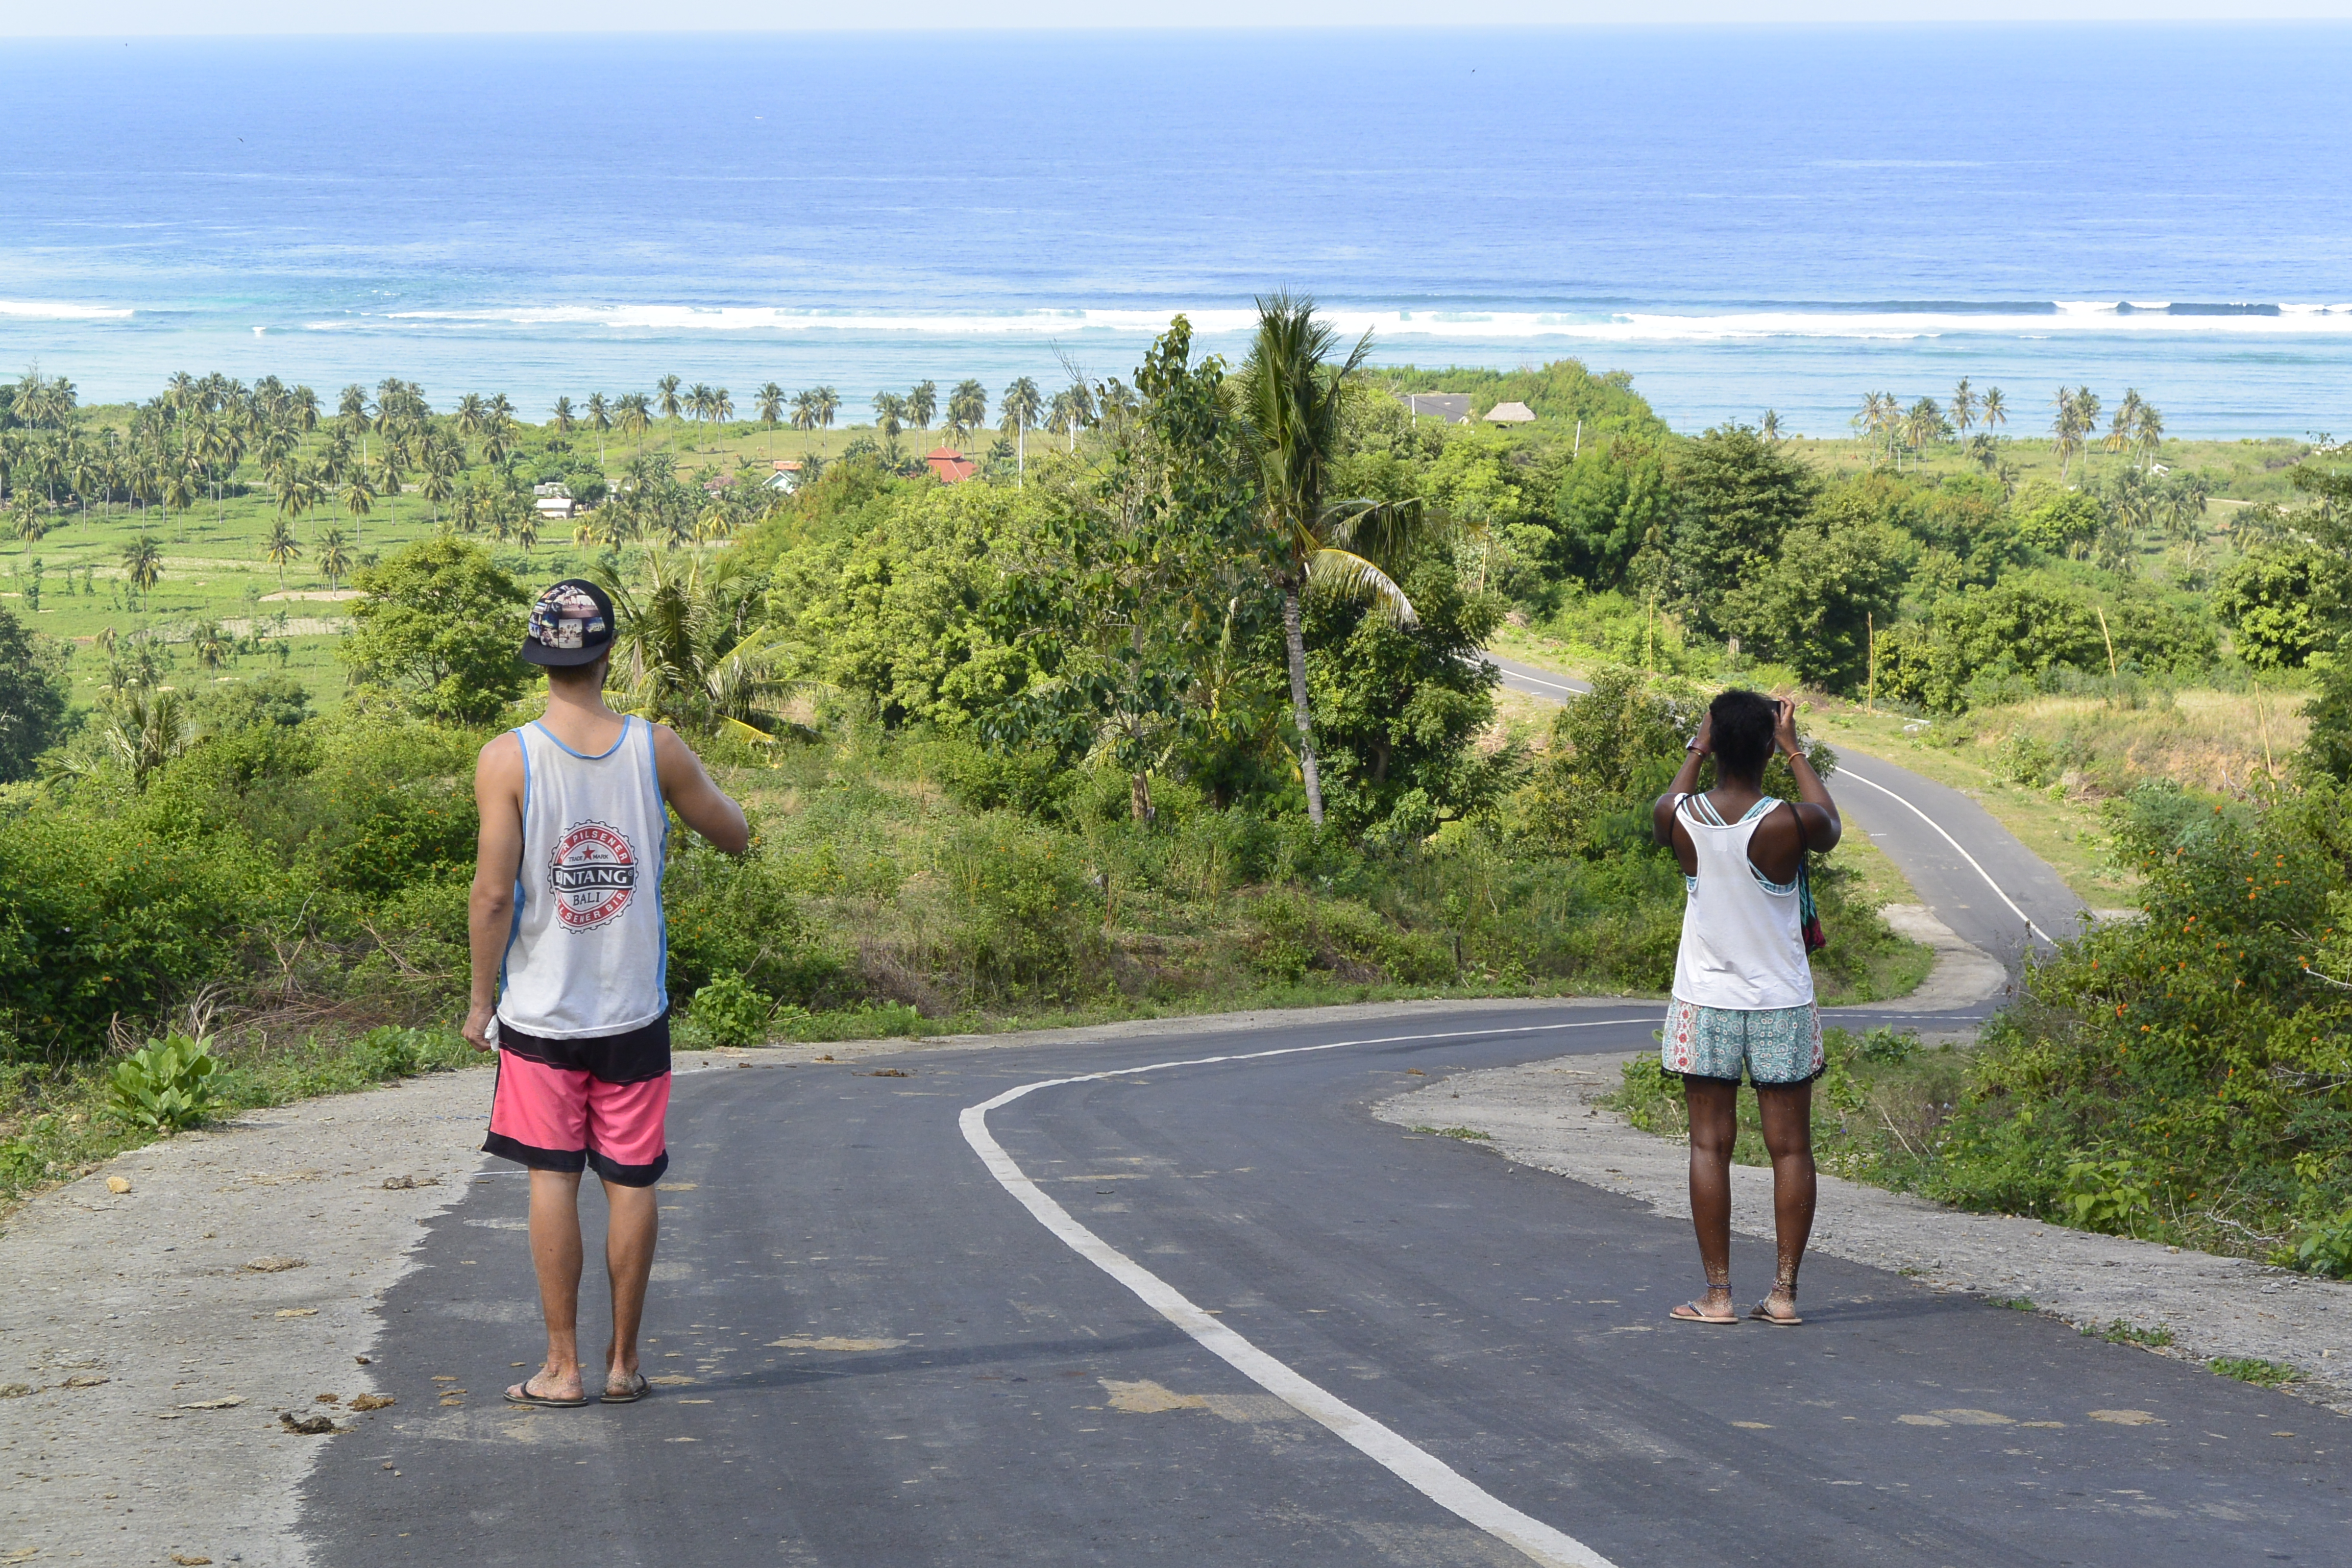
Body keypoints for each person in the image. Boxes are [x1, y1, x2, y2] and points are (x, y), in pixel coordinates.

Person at [463, 578, 750, 1407]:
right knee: (631, 1180)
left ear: (540, 657)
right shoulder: (652, 747)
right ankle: (624, 1365)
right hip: (633, 1010)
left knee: (552, 1179)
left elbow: (491, 895)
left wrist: (481, 1004)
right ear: (606, 654)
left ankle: (563, 1367)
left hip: (540, 1016)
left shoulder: (506, 758)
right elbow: (732, 833)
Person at [1650, 690, 1841, 1328]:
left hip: (1706, 1002)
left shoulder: (1679, 816)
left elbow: (1672, 798)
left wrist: (1697, 745)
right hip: (1780, 1002)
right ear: (1765, 746)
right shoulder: (1789, 823)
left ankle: (1720, 1296)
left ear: (1712, 743)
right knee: (1791, 1150)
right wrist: (1794, 748)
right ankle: (1783, 1294)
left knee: (1710, 1146)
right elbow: (1829, 820)